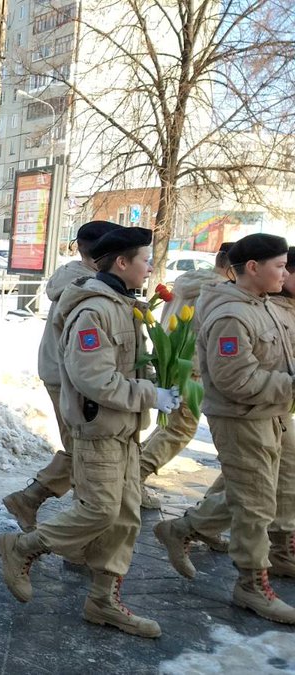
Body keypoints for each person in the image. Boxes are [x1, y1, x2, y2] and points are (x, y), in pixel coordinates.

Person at [0, 227, 172, 638]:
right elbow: (93, 378)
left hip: (124, 428)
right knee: (100, 510)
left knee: (125, 518)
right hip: (99, 427)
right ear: (122, 263)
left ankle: (103, 601)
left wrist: (161, 378)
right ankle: (22, 548)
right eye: (144, 260)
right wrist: (151, 394)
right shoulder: (93, 310)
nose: (150, 268)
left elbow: (125, 365)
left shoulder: (124, 304)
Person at [154, 234, 295, 624]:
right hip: (241, 417)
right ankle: (252, 584)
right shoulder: (231, 314)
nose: (284, 274)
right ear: (252, 268)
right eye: (279, 266)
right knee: (255, 505)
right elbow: (236, 379)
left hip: (268, 413)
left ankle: (182, 530)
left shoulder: (262, 304)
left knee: (256, 493)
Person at [1, 220, 121, 531]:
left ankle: (38, 501)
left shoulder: (81, 278)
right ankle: (41, 504)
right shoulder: (85, 286)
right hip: (70, 376)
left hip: (67, 372)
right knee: (83, 450)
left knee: (82, 448)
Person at [137, 241, 234, 509]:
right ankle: (133, 477)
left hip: (172, 359)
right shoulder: (217, 292)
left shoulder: (188, 282)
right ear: (232, 267)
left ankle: (132, 474)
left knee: (170, 426)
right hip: (190, 366)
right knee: (180, 429)